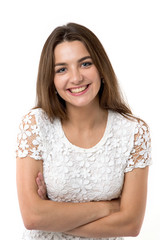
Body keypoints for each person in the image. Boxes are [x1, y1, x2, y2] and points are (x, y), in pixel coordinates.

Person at [16, 22, 152, 240]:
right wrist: (107, 208)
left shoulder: (134, 132)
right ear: (51, 81)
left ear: (101, 68)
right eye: (62, 69)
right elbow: (32, 217)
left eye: (85, 64)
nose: (76, 77)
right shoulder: (36, 125)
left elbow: (131, 224)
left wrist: (52, 215)